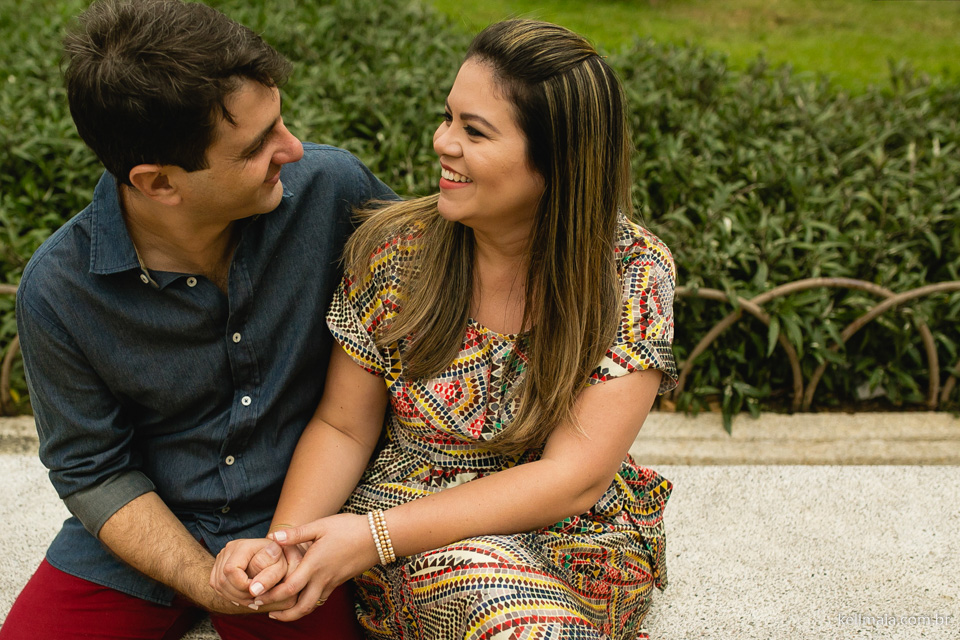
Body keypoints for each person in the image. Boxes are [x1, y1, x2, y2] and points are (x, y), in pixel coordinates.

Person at [211, 18, 678, 640]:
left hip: (572, 539)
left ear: (558, 160)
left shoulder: (631, 271)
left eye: (474, 131)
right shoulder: (395, 251)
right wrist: (285, 543)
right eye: (448, 117)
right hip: (417, 531)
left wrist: (372, 538)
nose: (442, 142)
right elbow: (343, 425)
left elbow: (575, 478)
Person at [2, 1, 394, 638]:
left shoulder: (334, 191)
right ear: (159, 183)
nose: (292, 149)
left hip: (307, 527)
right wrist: (198, 573)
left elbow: (432, 295)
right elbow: (93, 469)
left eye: (280, 122)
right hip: (140, 542)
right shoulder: (59, 292)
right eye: (255, 147)